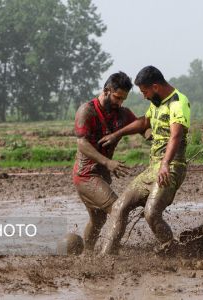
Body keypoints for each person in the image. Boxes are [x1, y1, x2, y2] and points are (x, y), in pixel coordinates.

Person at [99, 66, 191, 255]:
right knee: (119, 207)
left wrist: (165, 164)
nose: (144, 96)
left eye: (145, 91)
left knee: (151, 214)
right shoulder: (157, 102)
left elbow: (176, 136)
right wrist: (118, 134)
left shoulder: (177, 102)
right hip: (153, 168)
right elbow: (144, 122)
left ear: (155, 87)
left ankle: (174, 253)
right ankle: (107, 256)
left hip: (171, 167)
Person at [73, 71, 136, 252]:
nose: (119, 103)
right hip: (86, 175)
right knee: (119, 210)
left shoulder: (122, 114)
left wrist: (154, 137)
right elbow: (82, 143)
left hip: (102, 175)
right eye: (117, 97)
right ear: (106, 90)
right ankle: (109, 255)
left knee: (98, 220)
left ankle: (88, 253)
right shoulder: (87, 111)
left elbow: (142, 126)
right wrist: (108, 162)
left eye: (123, 99)